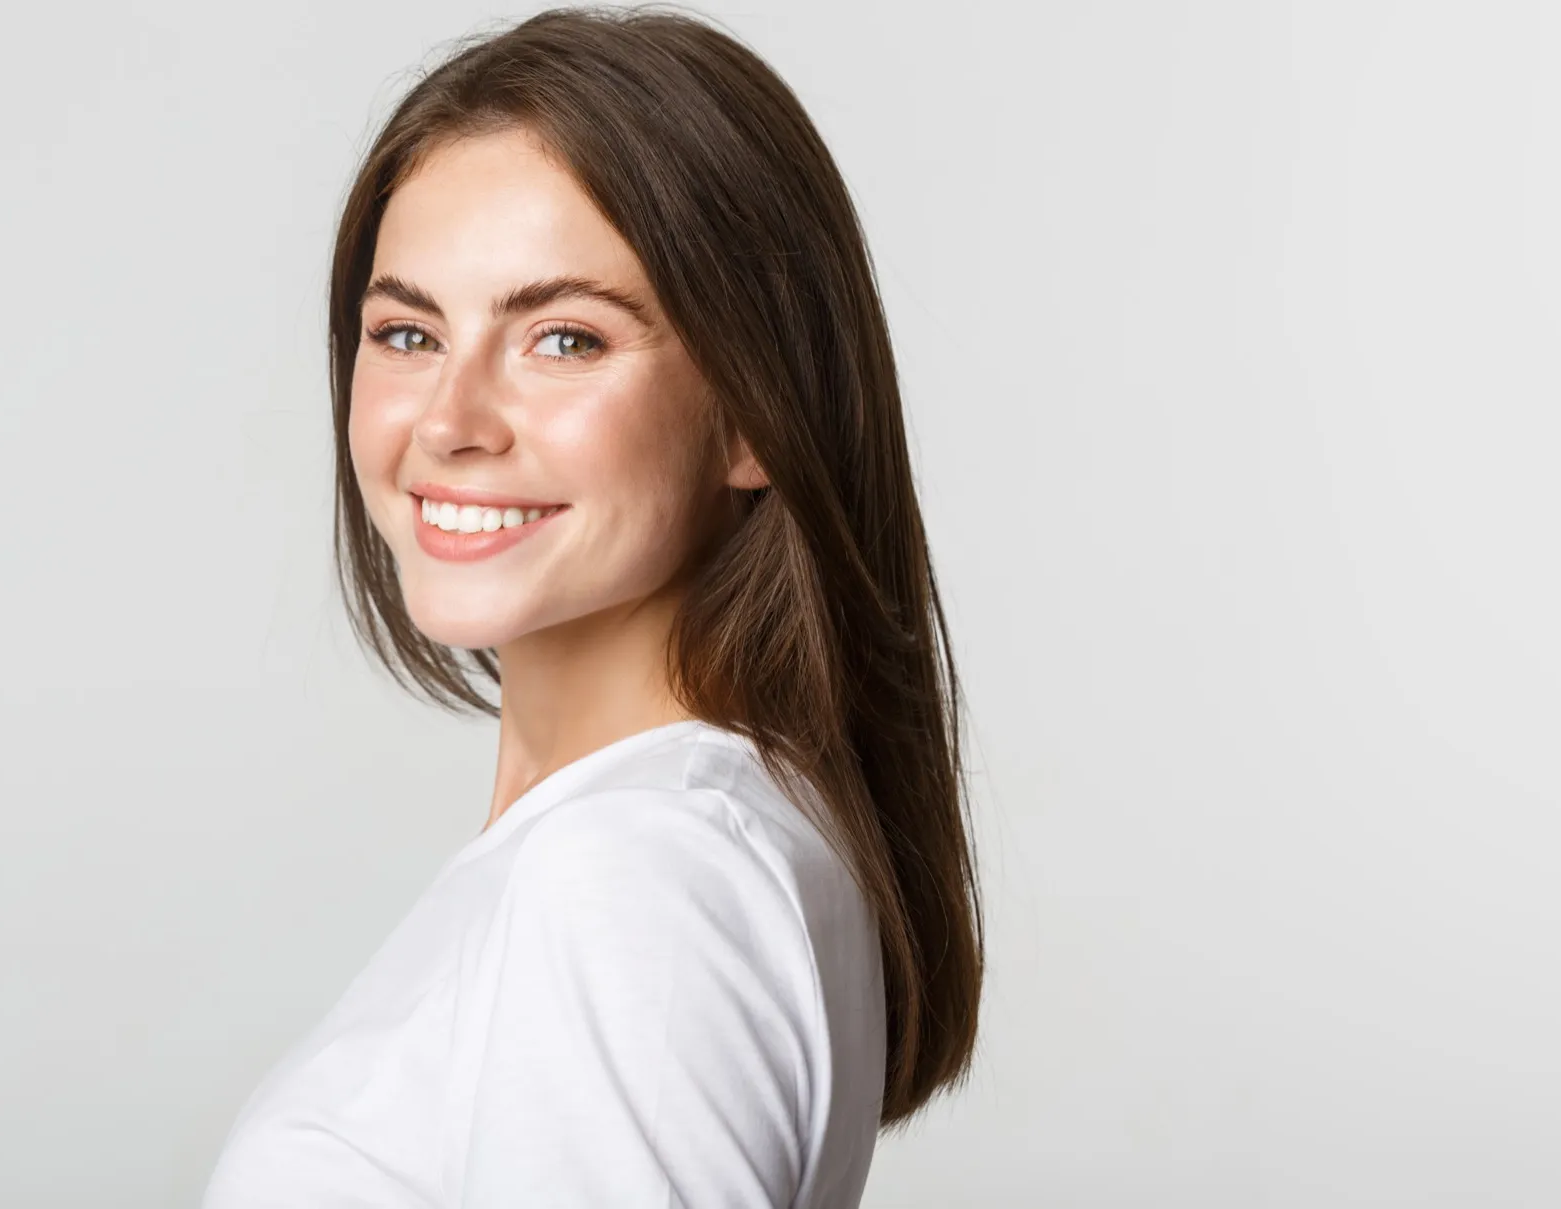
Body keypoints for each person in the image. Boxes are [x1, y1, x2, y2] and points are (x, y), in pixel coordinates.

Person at [200, 6, 982, 1205]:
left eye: (563, 339)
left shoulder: (637, 877)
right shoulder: (652, 841)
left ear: (754, 412)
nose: (451, 421)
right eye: (407, 331)